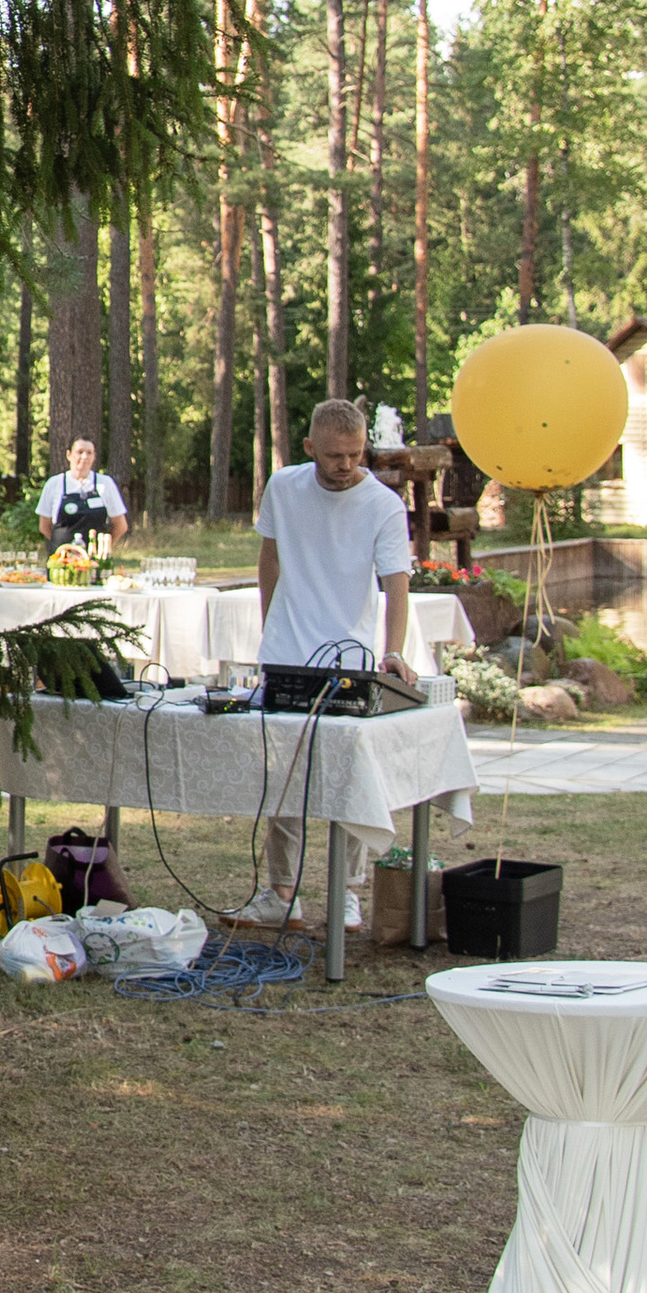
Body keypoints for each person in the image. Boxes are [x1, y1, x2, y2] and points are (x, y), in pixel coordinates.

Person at [238, 397, 414, 929]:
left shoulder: (383, 505)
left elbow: (396, 583)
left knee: (349, 777)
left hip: (351, 657)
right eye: (335, 455)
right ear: (311, 447)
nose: (345, 466)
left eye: (356, 455)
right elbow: (269, 557)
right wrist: (271, 626)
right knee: (285, 777)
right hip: (286, 653)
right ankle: (281, 894)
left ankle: (347, 891)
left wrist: (395, 650)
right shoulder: (284, 487)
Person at [37, 436, 127, 552]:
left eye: (89, 453)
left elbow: (121, 526)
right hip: (61, 563)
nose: (84, 457)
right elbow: (44, 526)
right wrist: (60, 546)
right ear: (69, 455)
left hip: (94, 561)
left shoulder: (105, 484)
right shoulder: (54, 484)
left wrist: (103, 549)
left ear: (94, 457)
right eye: (80, 452)